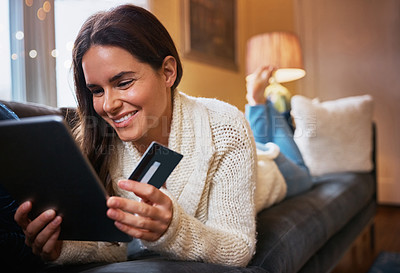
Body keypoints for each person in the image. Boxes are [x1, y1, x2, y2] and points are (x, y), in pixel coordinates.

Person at [13, 4, 257, 267]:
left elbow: (238, 248)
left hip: (266, 174)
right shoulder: (100, 143)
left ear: (167, 72)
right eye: (96, 90)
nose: (108, 105)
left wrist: (172, 230)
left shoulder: (225, 126)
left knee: (291, 168)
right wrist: (60, 248)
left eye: (123, 83)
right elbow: (118, 246)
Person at [245, 66, 313, 201]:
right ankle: (260, 103)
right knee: (305, 175)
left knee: (262, 146)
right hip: (266, 165)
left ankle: (258, 102)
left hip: (260, 157)